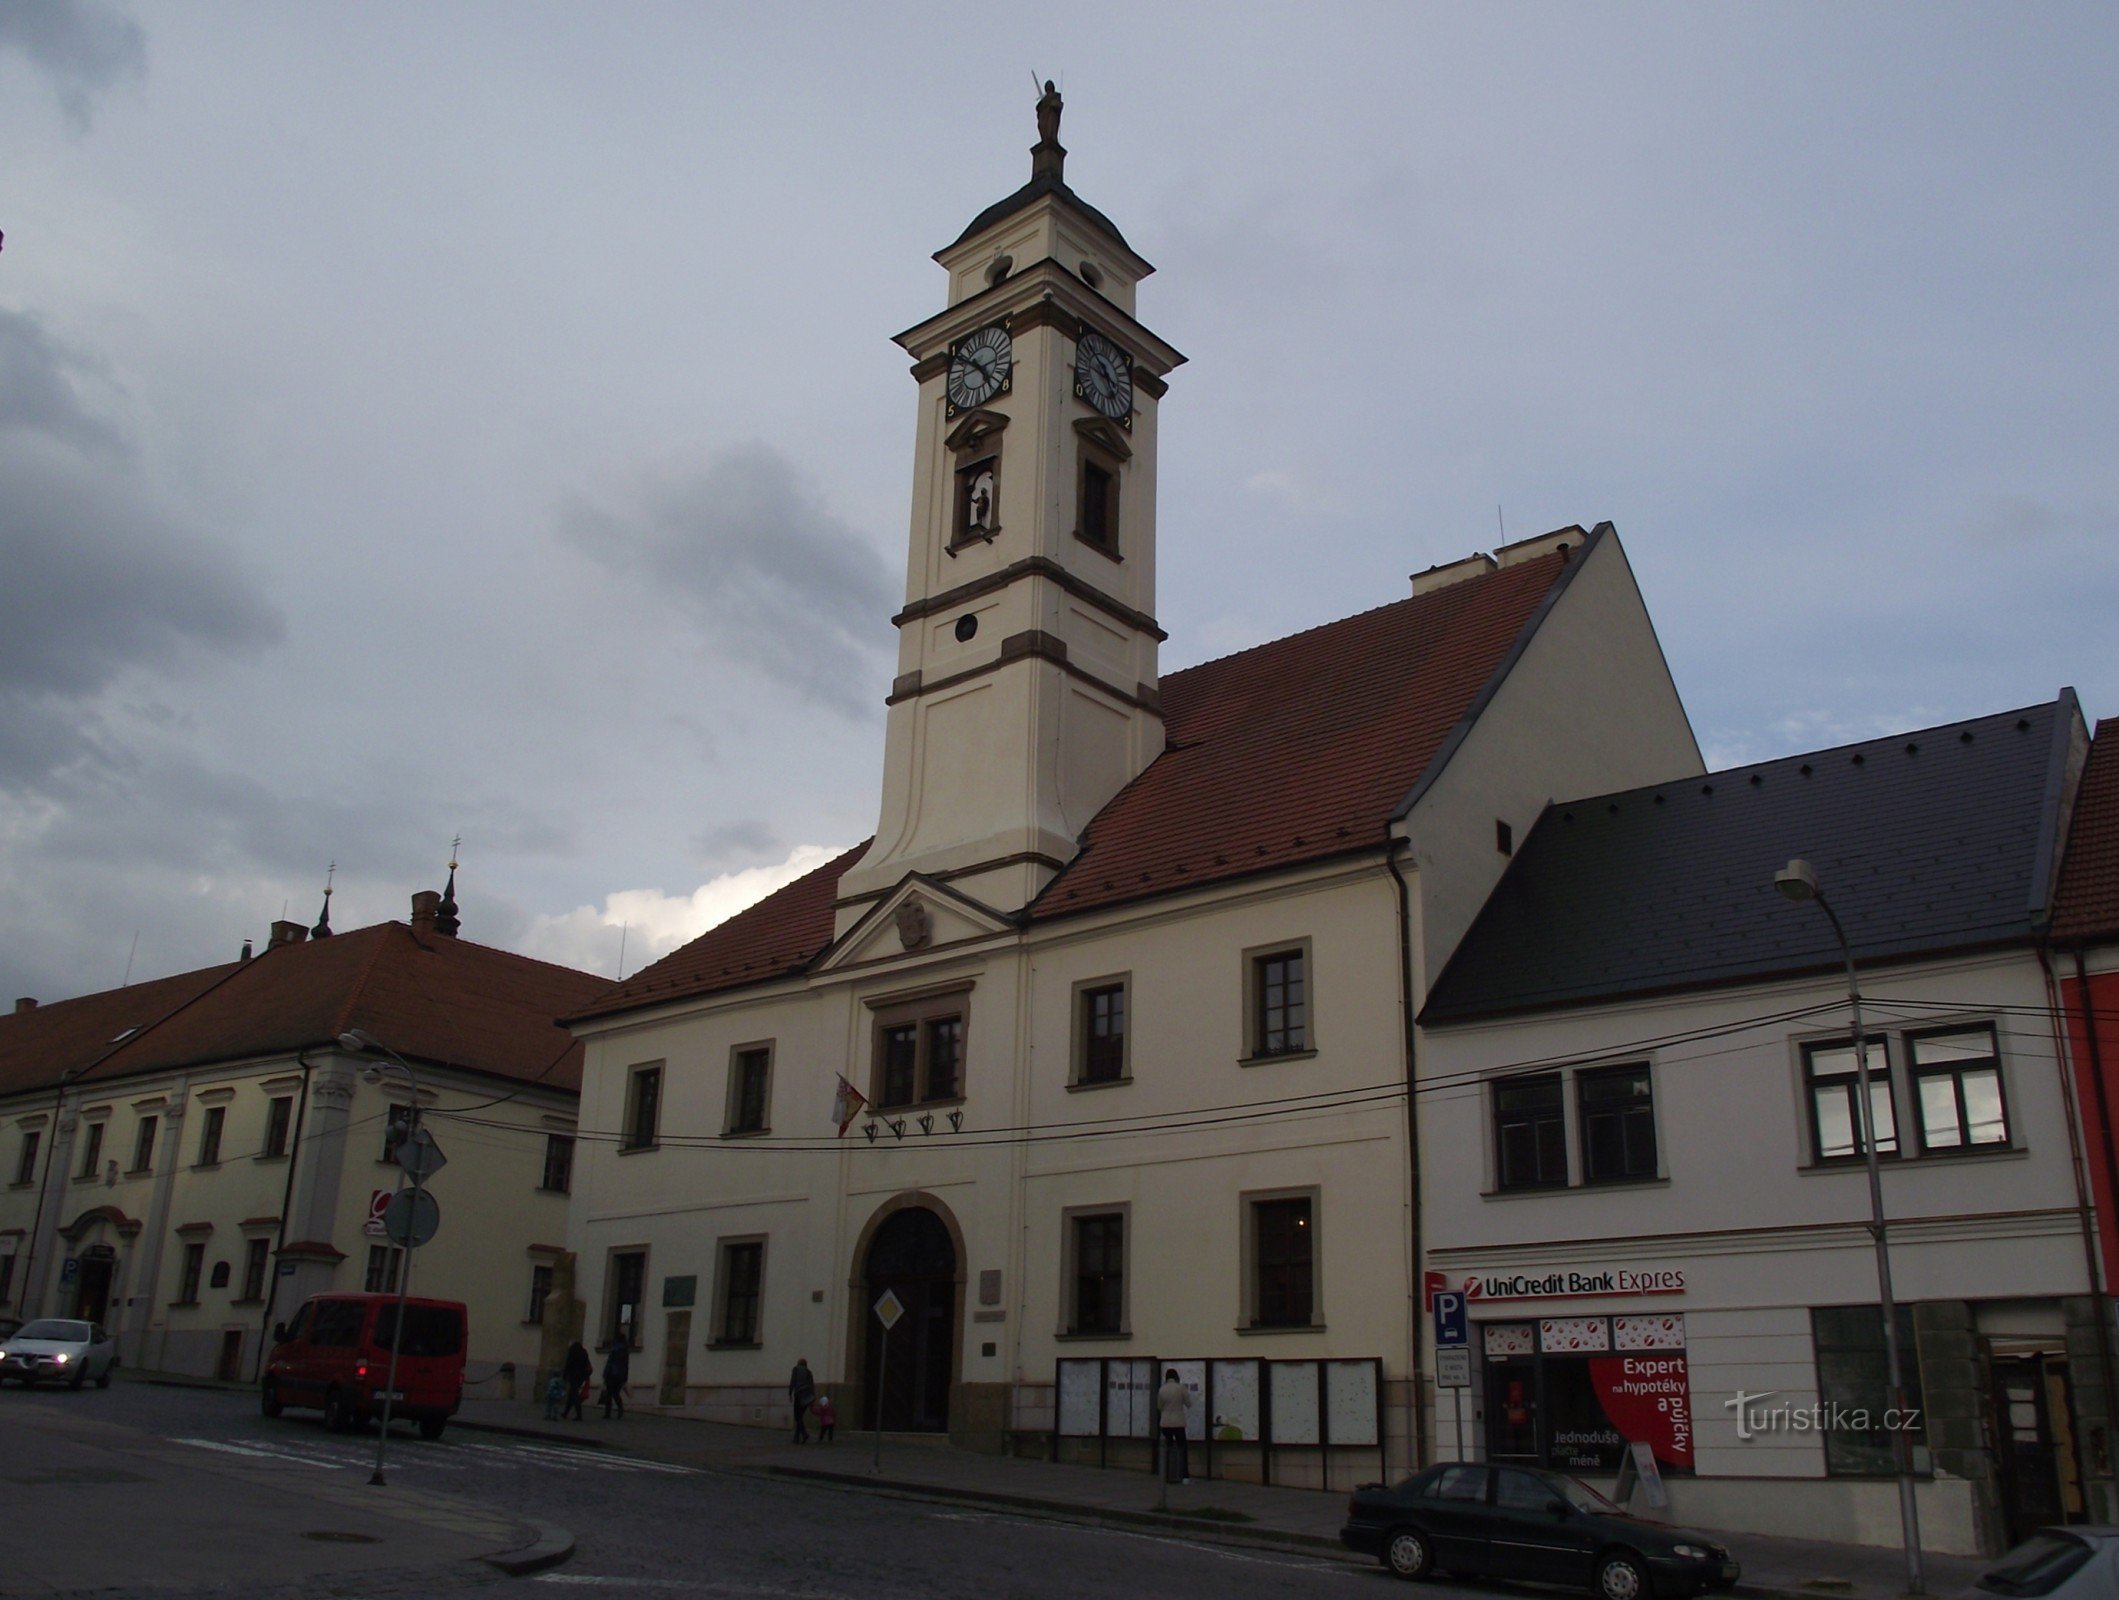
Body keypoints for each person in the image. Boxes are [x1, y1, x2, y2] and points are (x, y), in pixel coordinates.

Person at [1158, 1367, 1192, 1483]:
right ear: (1176, 1376)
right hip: (1178, 1422)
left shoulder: (1162, 1389)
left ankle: (1168, 1474)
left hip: (1166, 1422)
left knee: (1167, 1448)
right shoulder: (1181, 1388)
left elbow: (1159, 1406)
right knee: (1182, 1448)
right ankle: (1184, 1476)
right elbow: (1189, 1403)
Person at [601, 1333, 632, 1419]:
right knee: (616, 1394)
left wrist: (605, 1373)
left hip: (611, 1374)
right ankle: (620, 1409)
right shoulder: (625, 1350)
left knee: (609, 1394)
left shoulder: (614, 1349)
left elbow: (610, 1363)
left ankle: (607, 1413)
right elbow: (626, 1365)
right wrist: (625, 1377)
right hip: (620, 1375)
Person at [561, 1340, 593, 1422]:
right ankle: (565, 1413)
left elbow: (568, 1363)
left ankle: (579, 1415)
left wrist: (565, 1375)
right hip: (581, 1377)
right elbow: (587, 1364)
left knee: (574, 1395)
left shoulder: (572, 1351)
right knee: (571, 1394)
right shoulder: (584, 1352)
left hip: (573, 1376)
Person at [789, 1356, 815, 1444]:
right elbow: (812, 1385)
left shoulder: (795, 1370)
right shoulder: (808, 1372)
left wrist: (790, 1393)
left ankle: (804, 1434)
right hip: (807, 1396)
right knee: (800, 1417)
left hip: (798, 1395)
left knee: (797, 1417)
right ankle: (796, 1438)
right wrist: (812, 1399)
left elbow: (793, 1381)